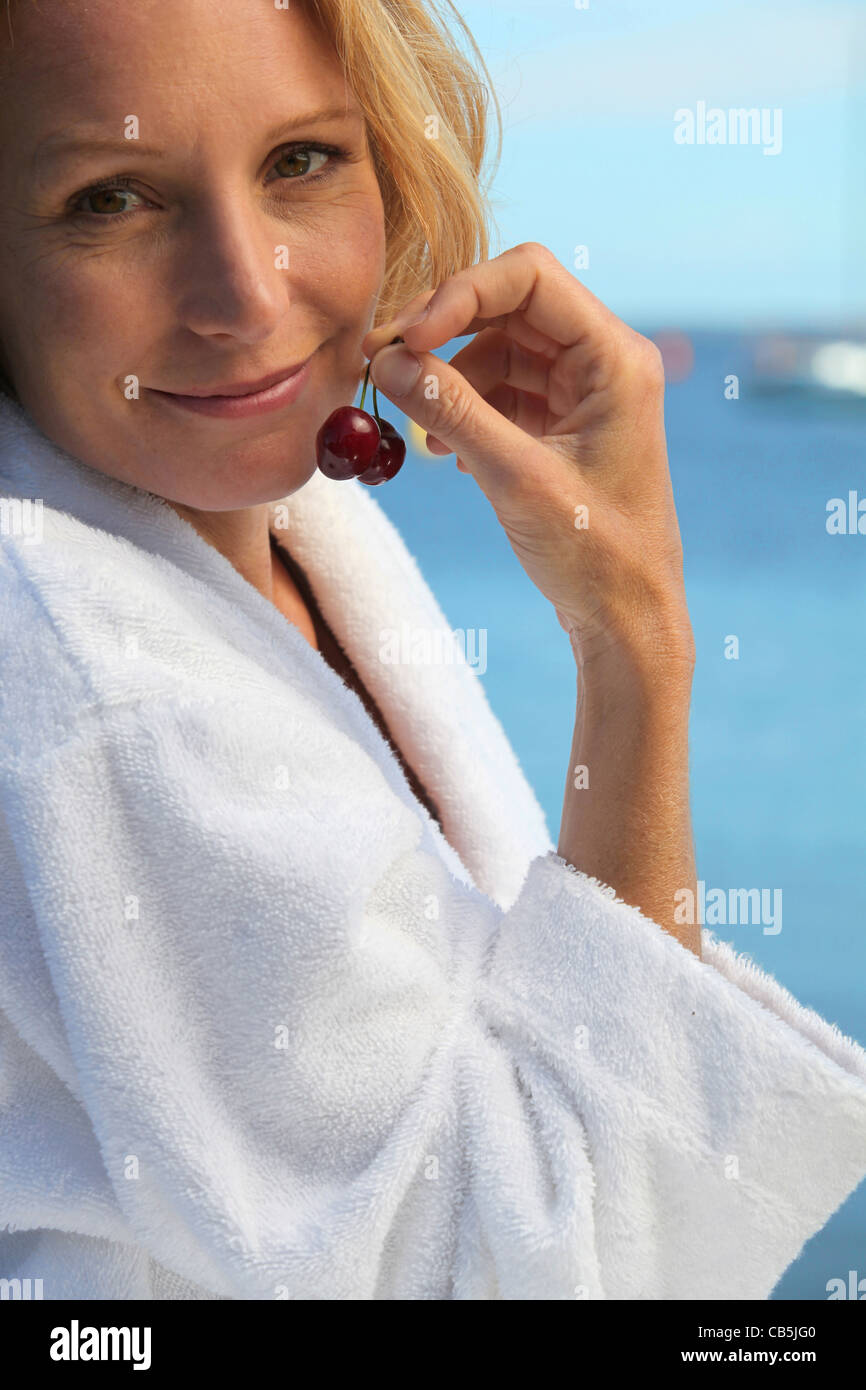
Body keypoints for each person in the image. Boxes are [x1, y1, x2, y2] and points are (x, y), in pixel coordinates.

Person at [0, 0, 864, 1302]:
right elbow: (548, 1277)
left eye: (299, 160)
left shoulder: (282, 526)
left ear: (388, 168)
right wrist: (632, 637)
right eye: (113, 196)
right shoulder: (93, 690)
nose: (246, 291)